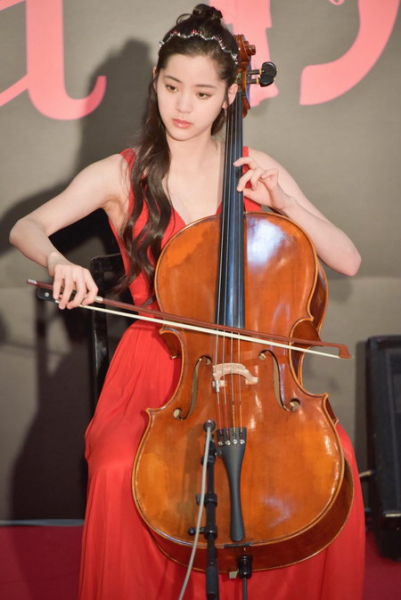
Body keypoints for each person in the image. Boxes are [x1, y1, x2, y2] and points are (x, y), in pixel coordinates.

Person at [10, 5, 364, 599]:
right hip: (155, 366)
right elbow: (28, 226)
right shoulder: (122, 174)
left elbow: (347, 259)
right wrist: (58, 262)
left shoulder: (254, 168)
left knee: (336, 460)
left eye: (202, 94)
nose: (182, 106)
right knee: (120, 467)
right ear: (156, 81)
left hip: (251, 372)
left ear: (229, 96)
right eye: (172, 87)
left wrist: (284, 204)